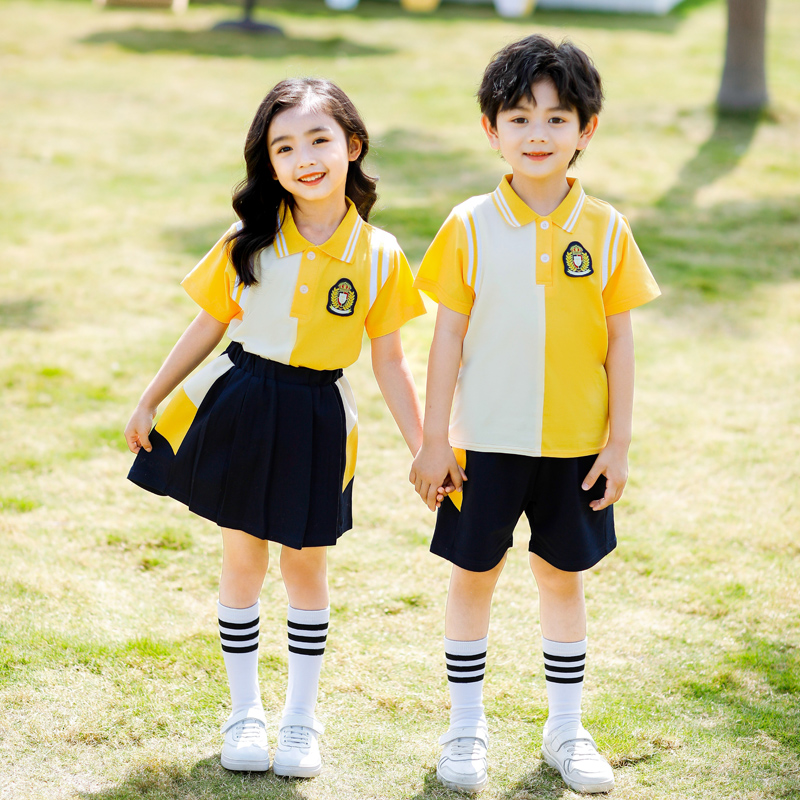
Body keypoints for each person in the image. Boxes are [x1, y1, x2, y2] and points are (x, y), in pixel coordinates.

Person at [124, 78, 426, 778]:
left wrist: (426, 446)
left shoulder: (381, 255)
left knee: (305, 563)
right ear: (270, 162)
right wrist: (148, 398)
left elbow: (390, 361)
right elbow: (207, 325)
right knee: (242, 557)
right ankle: (244, 712)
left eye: (319, 140)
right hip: (243, 402)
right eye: (283, 146)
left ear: (352, 146)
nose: (305, 157)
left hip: (319, 414)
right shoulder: (249, 240)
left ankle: (300, 718)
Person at [409, 35, 660, 795]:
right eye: (519, 118)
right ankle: (464, 730)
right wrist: (432, 439)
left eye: (558, 118)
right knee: (472, 576)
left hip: (576, 446)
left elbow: (619, 343)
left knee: (561, 578)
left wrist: (618, 445)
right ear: (492, 130)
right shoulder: (468, 224)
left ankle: (565, 729)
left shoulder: (608, 228)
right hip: (482, 443)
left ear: (587, 129)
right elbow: (446, 337)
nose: (538, 134)